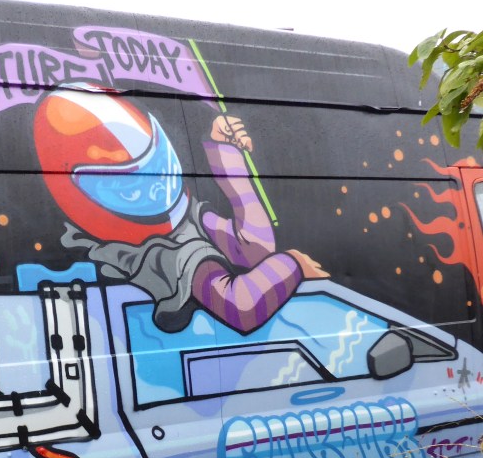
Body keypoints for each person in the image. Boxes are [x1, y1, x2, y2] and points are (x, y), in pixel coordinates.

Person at [33, 86, 327, 332]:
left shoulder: (178, 213)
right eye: (131, 190)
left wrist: (223, 150)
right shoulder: (154, 253)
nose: (156, 190)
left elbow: (254, 246)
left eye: (159, 168)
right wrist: (293, 265)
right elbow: (239, 306)